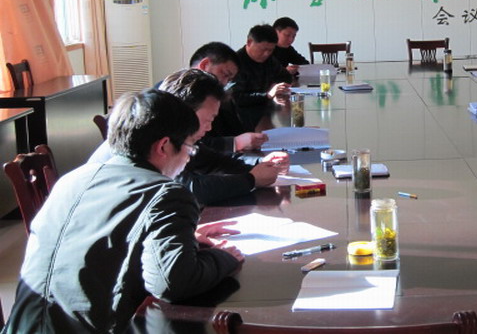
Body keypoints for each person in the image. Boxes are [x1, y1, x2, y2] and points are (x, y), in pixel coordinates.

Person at [3, 90, 244, 333]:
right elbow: (172, 283)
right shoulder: (167, 193)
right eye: (190, 149)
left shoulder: (72, 178)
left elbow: (105, 240)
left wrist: (185, 237)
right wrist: (224, 257)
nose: (189, 158)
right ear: (163, 146)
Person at [91, 69, 288, 205]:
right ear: (185, 110)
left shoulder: (173, 127)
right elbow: (190, 189)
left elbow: (211, 160)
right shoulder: (156, 135)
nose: (209, 127)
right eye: (208, 119)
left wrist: (260, 164)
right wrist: (251, 179)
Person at [189, 41, 266, 152]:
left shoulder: (220, 97)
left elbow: (238, 130)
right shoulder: (177, 98)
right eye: (224, 74)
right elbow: (190, 146)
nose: (225, 83)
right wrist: (235, 143)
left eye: (229, 79)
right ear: (205, 65)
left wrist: (252, 139)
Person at [231, 24, 292, 109]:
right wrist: (267, 95)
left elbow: (286, 76)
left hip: (266, 107)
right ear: (249, 42)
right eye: (263, 49)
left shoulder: (269, 60)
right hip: (244, 112)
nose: (266, 54)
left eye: (270, 50)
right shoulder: (234, 64)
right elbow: (236, 98)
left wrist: (276, 85)